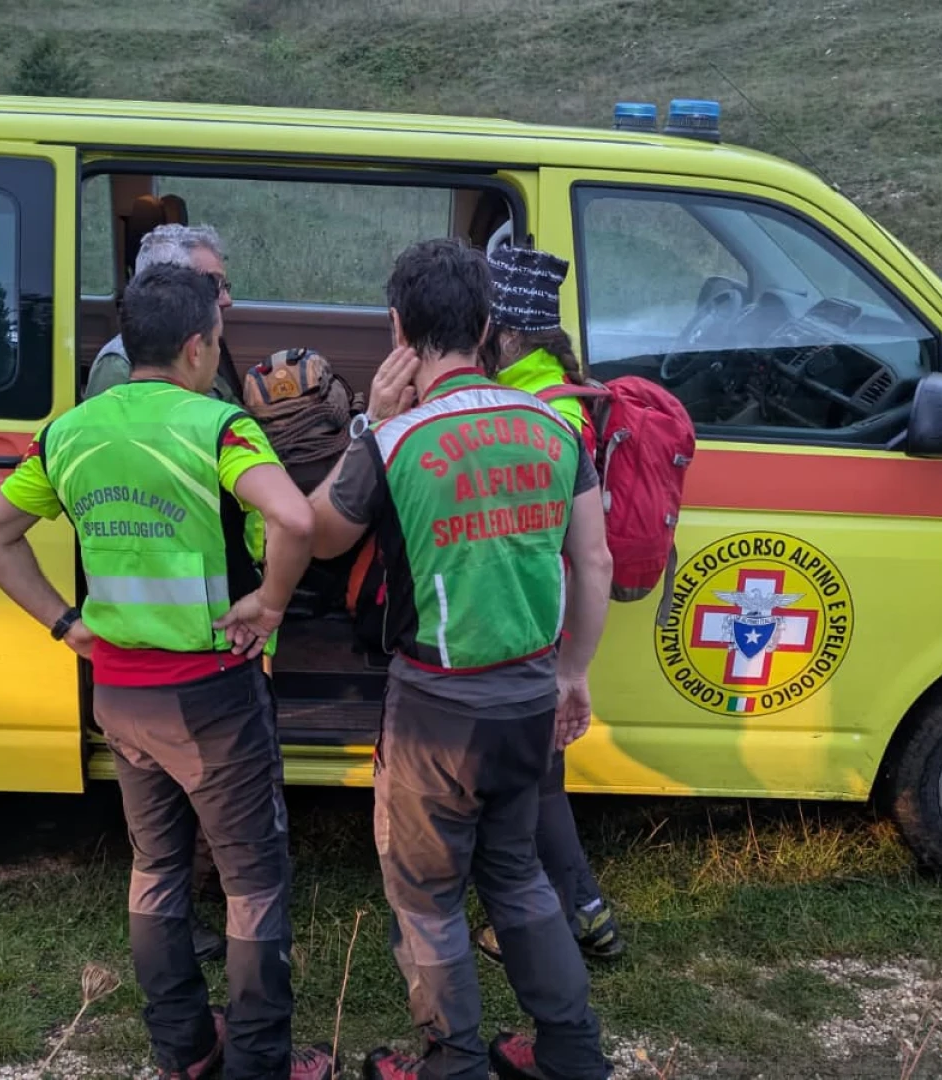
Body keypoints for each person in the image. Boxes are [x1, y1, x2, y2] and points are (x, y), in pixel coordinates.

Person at [0, 264, 334, 1080]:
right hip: (211, 697)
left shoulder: (70, 433)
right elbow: (294, 516)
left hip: (120, 696)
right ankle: (260, 1063)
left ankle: (185, 1050)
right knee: (253, 884)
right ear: (201, 344)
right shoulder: (219, 428)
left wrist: (67, 624)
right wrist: (269, 606)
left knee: (157, 870)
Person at [308, 238, 615, 1080]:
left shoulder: (396, 441)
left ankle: (452, 1063)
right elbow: (593, 562)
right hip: (528, 704)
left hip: (434, 714)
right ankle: (571, 1054)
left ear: (399, 328)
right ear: (487, 326)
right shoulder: (558, 427)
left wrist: (367, 418)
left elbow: (317, 532)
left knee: (430, 899)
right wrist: (572, 674)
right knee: (518, 879)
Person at [83, 220, 243, 967]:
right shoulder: (132, 379)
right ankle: (206, 907)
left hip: (153, 657)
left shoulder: (188, 355)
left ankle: (186, 928)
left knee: (162, 837)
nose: (227, 298)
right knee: (209, 827)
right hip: (179, 645)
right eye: (214, 286)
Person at [470, 243, 625, 971]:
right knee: (539, 778)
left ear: (503, 336)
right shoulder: (564, 391)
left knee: (535, 781)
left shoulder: (538, 412)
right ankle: (582, 911)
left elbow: (584, 551)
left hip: (534, 617)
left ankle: (576, 917)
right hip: (550, 615)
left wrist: (573, 667)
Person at [86, 223, 242, 404]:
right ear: (168, 284)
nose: (227, 299)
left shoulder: (203, 341)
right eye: (213, 284)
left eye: (224, 286)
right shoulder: (118, 365)